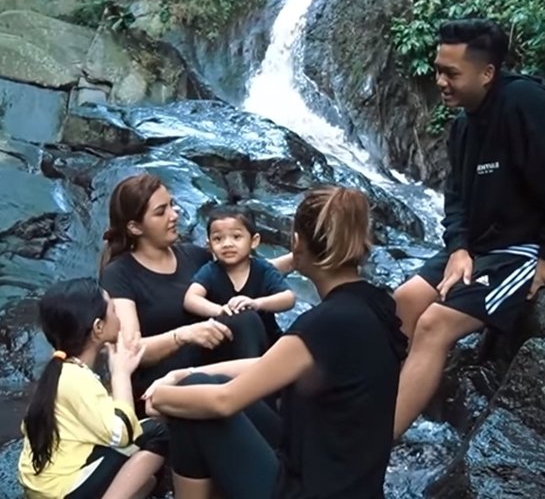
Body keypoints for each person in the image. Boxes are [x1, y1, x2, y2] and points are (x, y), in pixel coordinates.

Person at [390, 18, 545, 442]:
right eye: (437, 69)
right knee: (404, 301)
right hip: (480, 246)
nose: (440, 81)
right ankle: (389, 399)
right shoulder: (465, 122)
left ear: (487, 73)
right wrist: (459, 246)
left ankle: (374, 447)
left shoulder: (525, 103)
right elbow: (456, 196)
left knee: (433, 324)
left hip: (528, 247)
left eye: (450, 73)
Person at [144, 186, 407, 498]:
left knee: (191, 400)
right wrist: (183, 374)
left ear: (297, 243)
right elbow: (274, 364)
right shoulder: (374, 304)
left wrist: (161, 397)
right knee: (198, 382)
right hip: (342, 476)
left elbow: (224, 400)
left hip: (311, 490)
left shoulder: (325, 323)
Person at [99, 173, 292, 414]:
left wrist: (300, 258)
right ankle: (264, 415)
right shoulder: (120, 273)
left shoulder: (194, 256)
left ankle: (268, 410)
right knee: (243, 320)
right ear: (135, 227)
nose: (174, 215)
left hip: (211, 369)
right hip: (162, 383)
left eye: (172, 205)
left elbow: (253, 271)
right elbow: (130, 349)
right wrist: (183, 336)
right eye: (161, 212)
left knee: (246, 315)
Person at [18, 279, 163, 499]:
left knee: (144, 482)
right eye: (113, 310)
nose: (118, 317)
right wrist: (121, 374)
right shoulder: (75, 378)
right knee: (159, 433)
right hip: (61, 490)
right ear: (98, 327)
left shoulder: (61, 370)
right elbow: (120, 434)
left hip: (43, 486)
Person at [183, 206, 296, 346]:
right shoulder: (211, 271)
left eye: (236, 237)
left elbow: (288, 298)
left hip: (267, 343)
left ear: (254, 241)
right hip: (226, 344)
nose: (227, 244)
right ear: (210, 245)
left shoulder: (262, 269)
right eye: (218, 239)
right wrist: (219, 310)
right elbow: (191, 299)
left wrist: (257, 304)